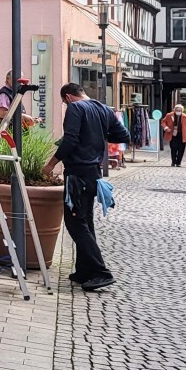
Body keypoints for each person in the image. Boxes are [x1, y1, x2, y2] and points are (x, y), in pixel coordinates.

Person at [45, 83, 130, 291]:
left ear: (68, 97)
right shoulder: (103, 108)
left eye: (64, 102)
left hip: (77, 174)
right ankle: (84, 270)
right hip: (94, 173)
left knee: (75, 222)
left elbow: (71, 140)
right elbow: (123, 136)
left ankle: (101, 272)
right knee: (85, 221)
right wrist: (97, 136)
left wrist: (51, 164)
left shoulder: (75, 108)